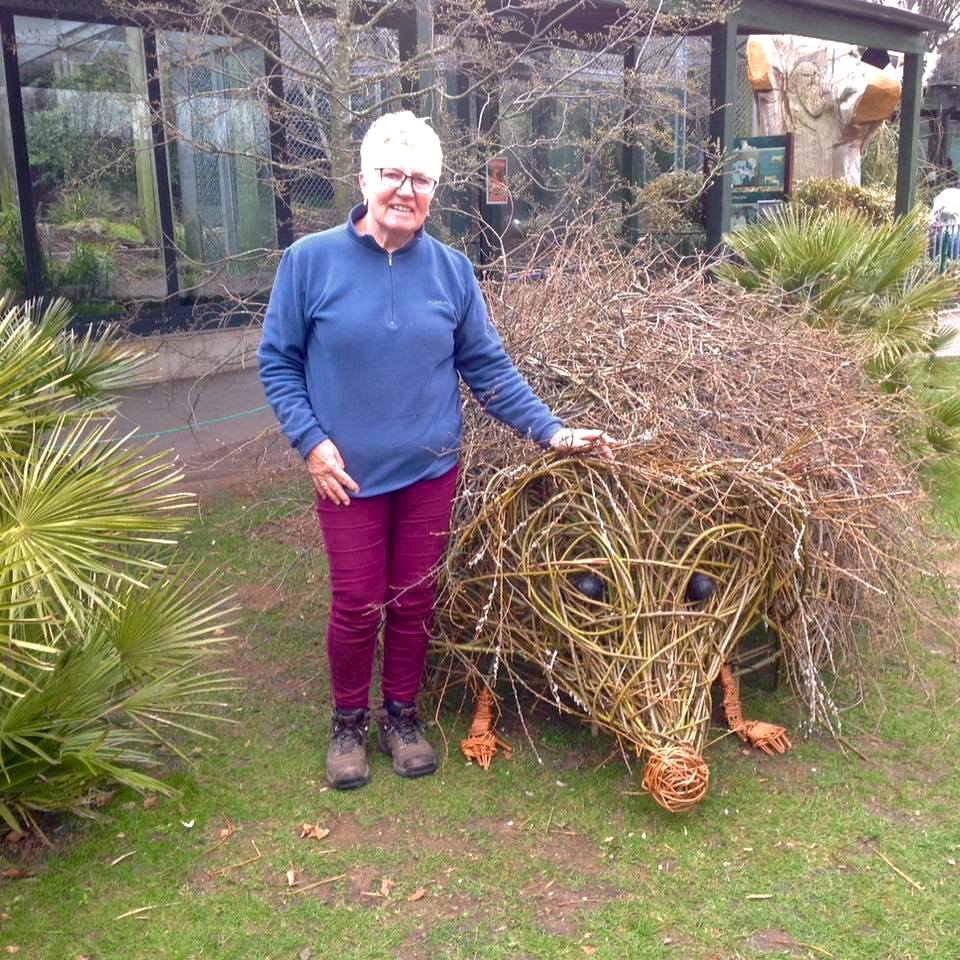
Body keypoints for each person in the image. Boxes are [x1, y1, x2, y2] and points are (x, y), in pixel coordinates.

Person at [257, 111, 613, 791]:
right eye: (392, 174)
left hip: (429, 472)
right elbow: (278, 361)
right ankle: (348, 722)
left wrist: (552, 431)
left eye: (420, 179)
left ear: (433, 191)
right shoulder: (309, 261)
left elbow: (487, 369)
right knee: (357, 603)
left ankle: (401, 716)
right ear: (364, 180)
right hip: (346, 477)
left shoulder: (451, 271)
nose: (405, 190)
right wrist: (311, 443)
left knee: (414, 600)